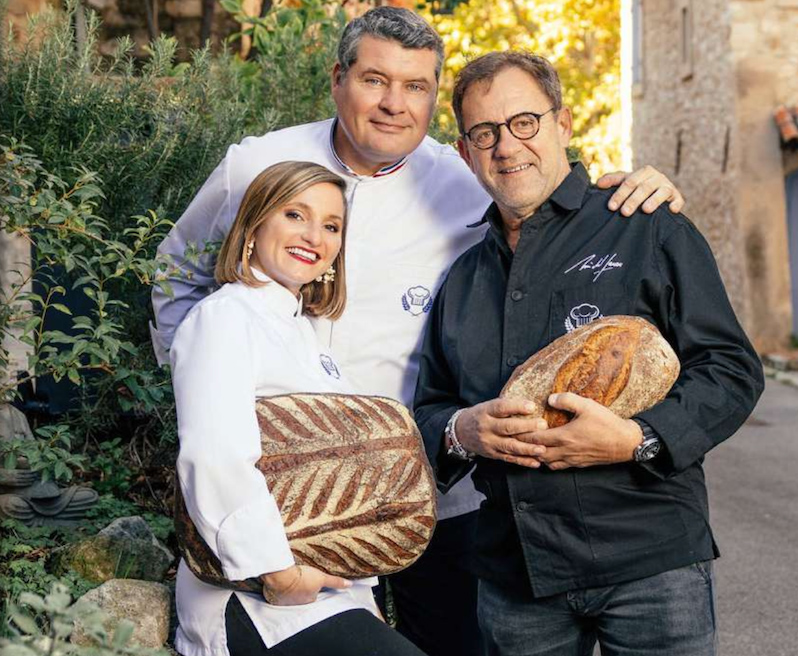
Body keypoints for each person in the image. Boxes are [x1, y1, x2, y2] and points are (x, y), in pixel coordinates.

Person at [152, 8, 686, 655]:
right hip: (290, 500)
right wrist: (208, 380)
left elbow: (542, 187)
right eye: (375, 80)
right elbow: (177, 270)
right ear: (338, 79)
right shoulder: (257, 165)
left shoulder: (466, 177)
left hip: (441, 488)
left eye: (417, 87)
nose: (393, 104)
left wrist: (630, 188)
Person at [413, 52, 765, 656]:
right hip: (515, 577)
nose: (507, 147)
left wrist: (638, 438)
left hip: (651, 565)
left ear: (563, 124)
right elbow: (430, 410)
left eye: (524, 122)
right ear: (466, 151)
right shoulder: (464, 279)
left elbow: (731, 369)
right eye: (484, 133)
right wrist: (462, 430)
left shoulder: (645, 224)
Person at [172, 160, 426, 656]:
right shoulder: (225, 317)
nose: (314, 235)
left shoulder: (308, 337)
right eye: (295, 214)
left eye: (331, 226)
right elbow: (214, 454)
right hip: (255, 596)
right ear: (254, 225)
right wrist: (279, 573)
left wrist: (362, 593)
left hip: (324, 592)